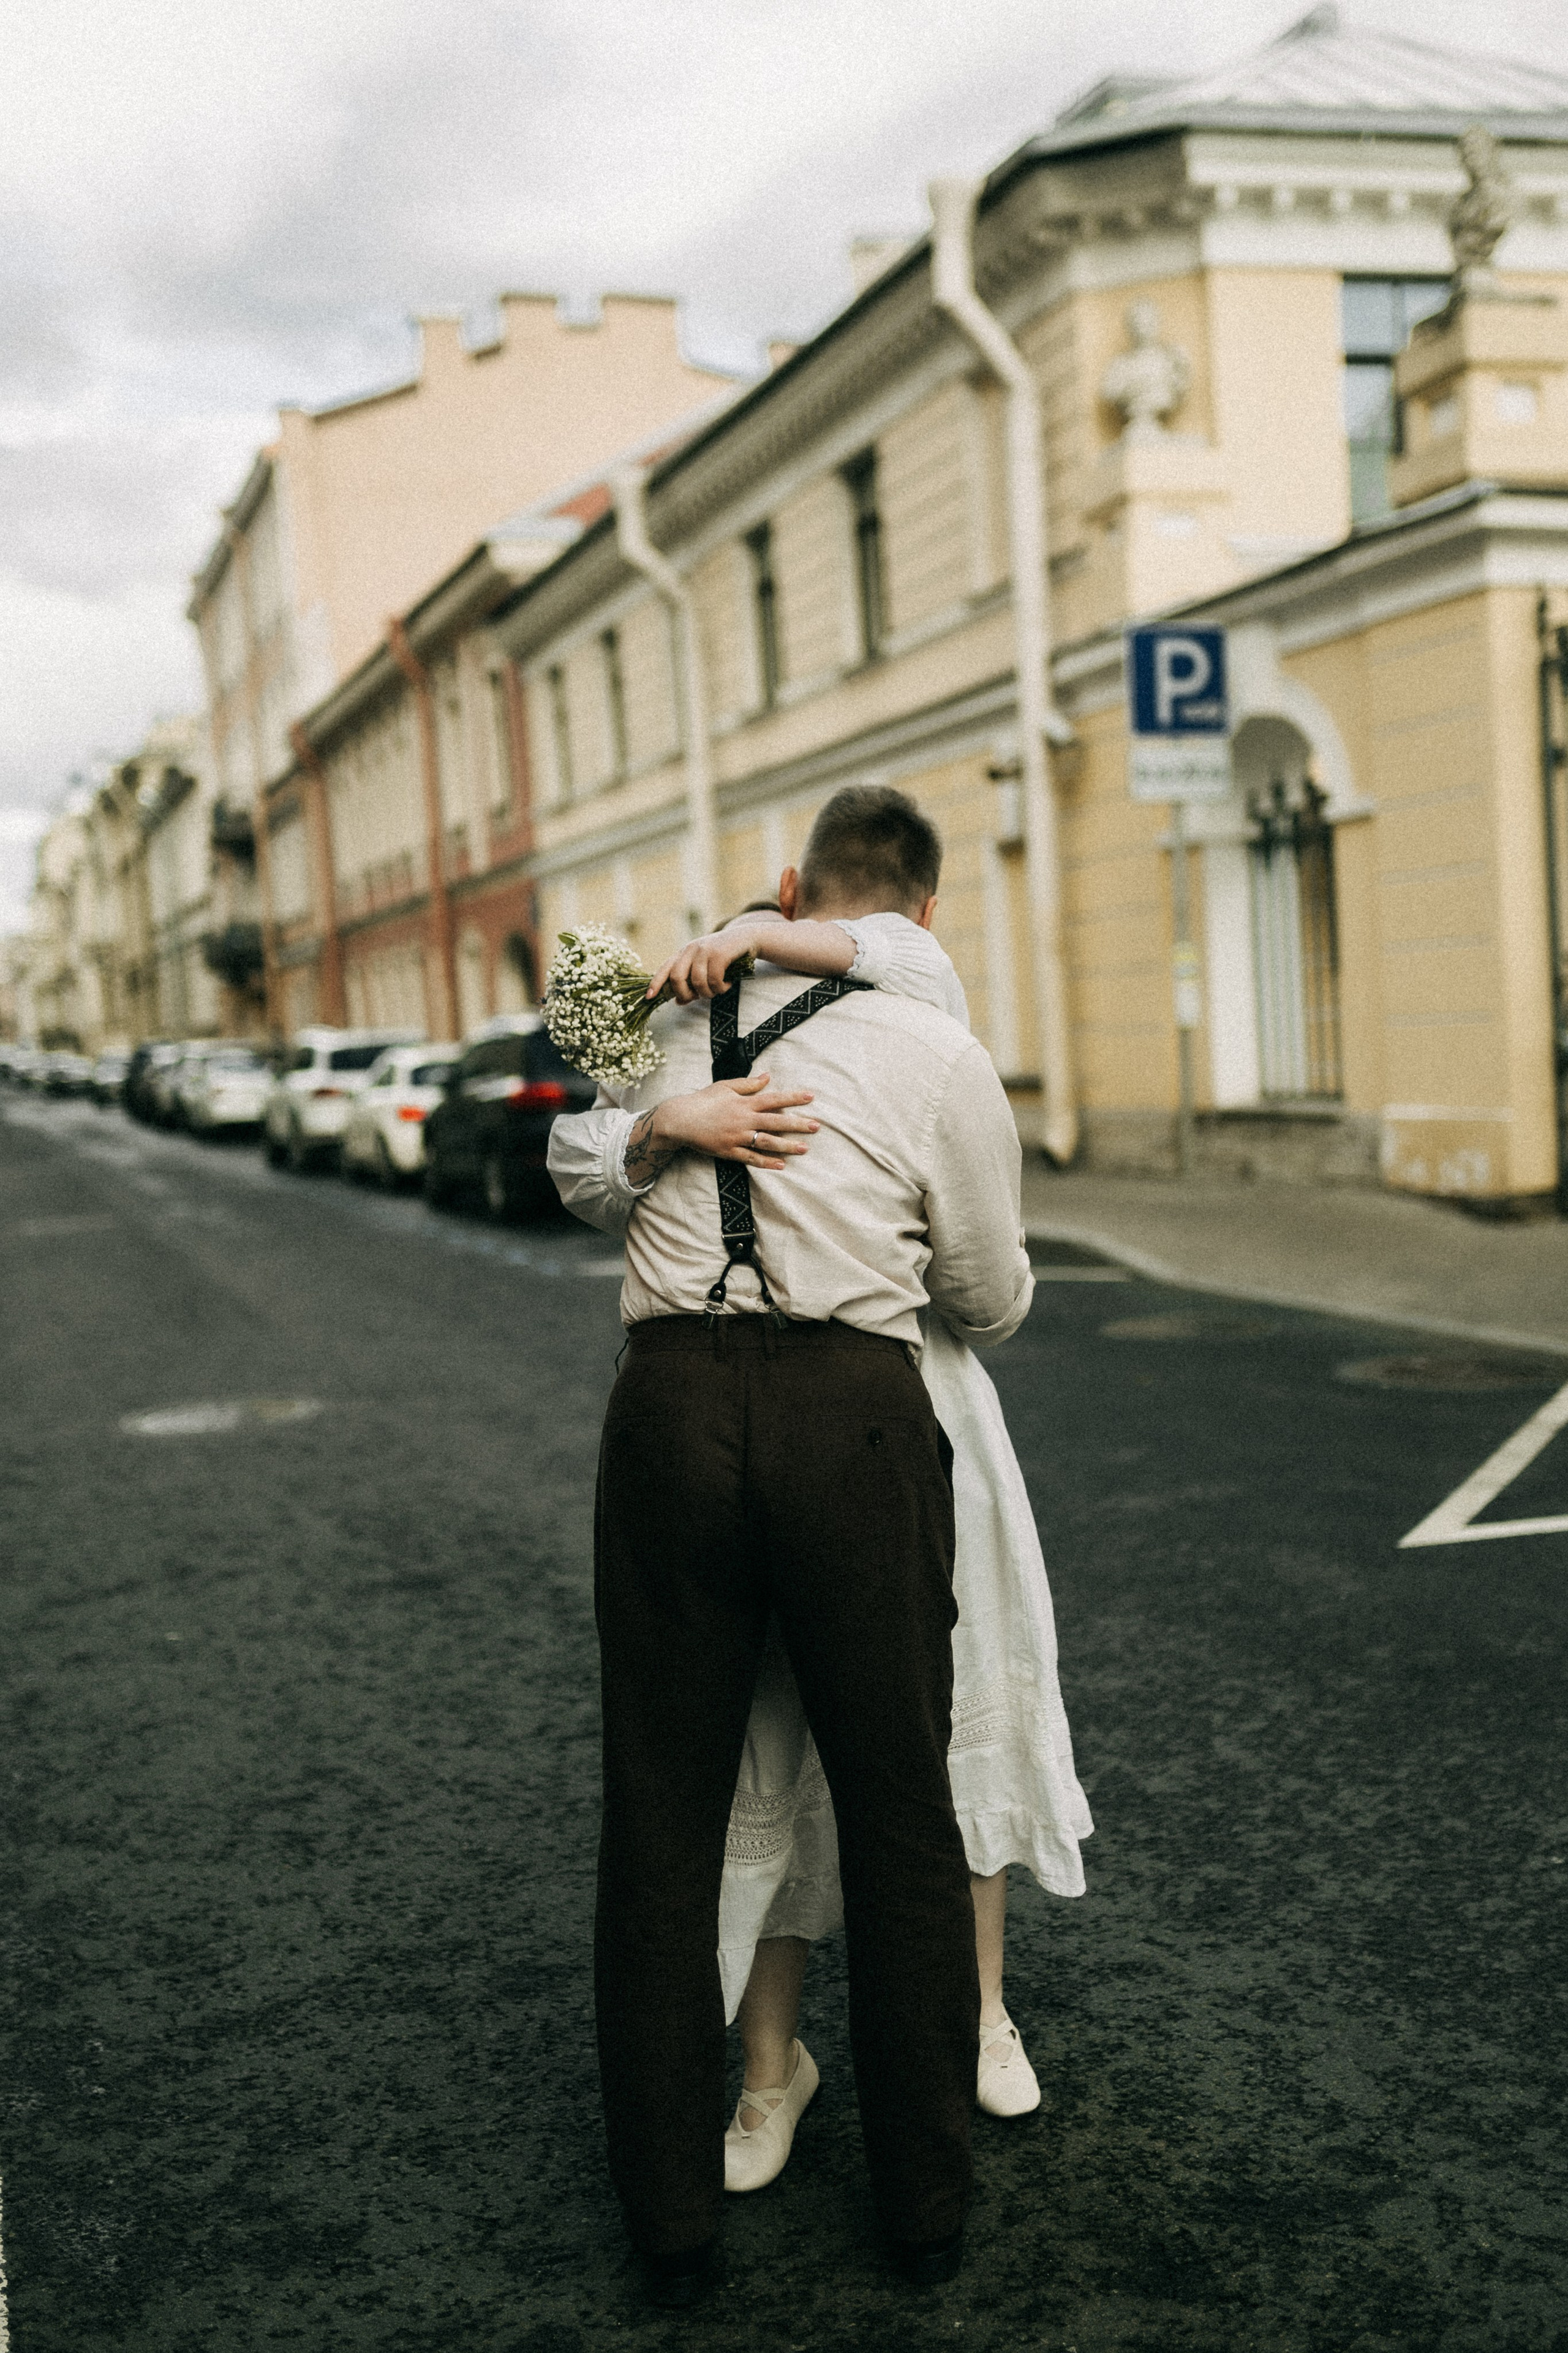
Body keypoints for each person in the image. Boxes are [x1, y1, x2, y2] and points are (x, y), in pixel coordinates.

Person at [548, 785, 1033, 2306]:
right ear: (922, 912)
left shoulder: (666, 1019)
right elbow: (989, 1292)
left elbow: (572, 1170)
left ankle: (672, 2222)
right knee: (895, 1809)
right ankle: (921, 2209)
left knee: (660, 1812)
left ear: (783, 890)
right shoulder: (936, 1047)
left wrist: (650, 1128)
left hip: (672, 1414)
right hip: (851, 1418)